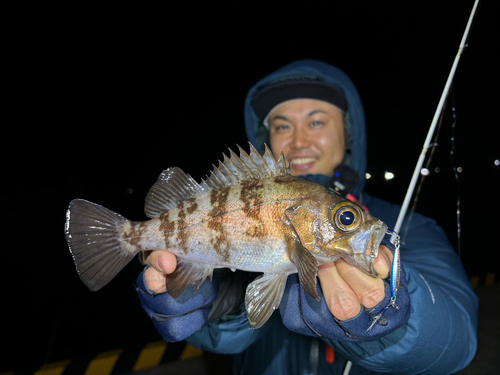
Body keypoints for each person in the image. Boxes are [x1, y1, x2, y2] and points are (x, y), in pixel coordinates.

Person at [136, 60, 478, 374]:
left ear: (348, 135)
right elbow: (238, 336)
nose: (299, 141)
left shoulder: (415, 227)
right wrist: (221, 308)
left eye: (316, 121)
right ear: (266, 137)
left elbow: (458, 342)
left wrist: (401, 315)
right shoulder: (257, 202)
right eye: (283, 126)